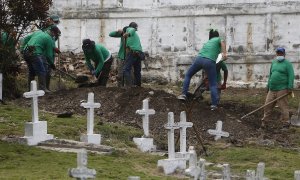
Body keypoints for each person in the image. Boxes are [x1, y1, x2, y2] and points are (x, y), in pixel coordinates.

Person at [177, 29, 227, 110]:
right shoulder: (218, 39)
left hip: (199, 59)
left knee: (188, 75)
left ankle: (183, 94)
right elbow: (222, 43)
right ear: (217, 36)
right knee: (213, 84)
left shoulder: (208, 42)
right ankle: (214, 105)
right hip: (209, 61)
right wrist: (224, 53)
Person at [261, 47, 294, 129]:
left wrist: (290, 87)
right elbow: (270, 75)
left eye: (281, 53)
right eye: (278, 53)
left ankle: (286, 123)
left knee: (283, 107)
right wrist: (268, 86)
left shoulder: (288, 64)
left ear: (284, 54)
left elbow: (291, 76)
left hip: (282, 89)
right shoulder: (273, 63)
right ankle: (265, 122)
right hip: (272, 89)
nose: (279, 54)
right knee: (267, 106)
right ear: (276, 54)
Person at [24, 26, 60, 92]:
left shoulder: (39, 32)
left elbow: (25, 39)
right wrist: (52, 64)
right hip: (35, 53)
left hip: (26, 52)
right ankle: (42, 90)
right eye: (55, 34)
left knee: (32, 72)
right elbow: (48, 55)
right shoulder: (49, 38)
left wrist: (22, 48)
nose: (54, 36)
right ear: (52, 32)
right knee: (42, 71)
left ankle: (30, 90)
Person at [122, 22, 144, 87]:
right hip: (139, 53)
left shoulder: (129, 29)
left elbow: (132, 29)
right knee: (137, 71)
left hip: (133, 52)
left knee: (126, 69)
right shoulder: (135, 36)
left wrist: (127, 33)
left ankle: (130, 86)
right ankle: (138, 86)